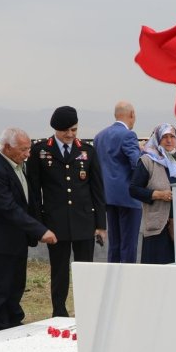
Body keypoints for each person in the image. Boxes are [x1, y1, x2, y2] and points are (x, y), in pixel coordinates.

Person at [27, 106, 107, 318]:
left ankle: (87, 309)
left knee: (85, 270)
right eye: (65, 131)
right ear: (55, 129)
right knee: (59, 270)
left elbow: (97, 189)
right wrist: (39, 225)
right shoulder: (40, 151)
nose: (70, 135)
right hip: (55, 222)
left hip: (84, 221)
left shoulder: (87, 151)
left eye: (74, 129)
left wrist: (101, 225)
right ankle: (59, 311)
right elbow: (34, 192)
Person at [0, 128, 56, 333]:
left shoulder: (18, 164)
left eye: (28, 149)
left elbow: (28, 200)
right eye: (23, 149)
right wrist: (39, 230)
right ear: (7, 147)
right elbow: (8, 207)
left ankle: (13, 321)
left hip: (17, 237)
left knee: (16, 283)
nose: (27, 154)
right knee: (0, 286)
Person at [129, 123, 176, 264]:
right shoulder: (148, 161)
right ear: (157, 139)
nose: (169, 140)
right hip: (158, 228)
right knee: (157, 274)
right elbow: (134, 189)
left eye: (172, 136)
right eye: (164, 137)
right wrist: (158, 195)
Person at [94, 101, 143, 263]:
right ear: (132, 114)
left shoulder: (99, 136)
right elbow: (137, 164)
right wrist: (143, 152)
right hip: (128, 197)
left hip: (107, 196)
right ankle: (126, 281)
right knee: (128, 245)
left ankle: (113, 279)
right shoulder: (129, 135)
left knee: (114, 244)